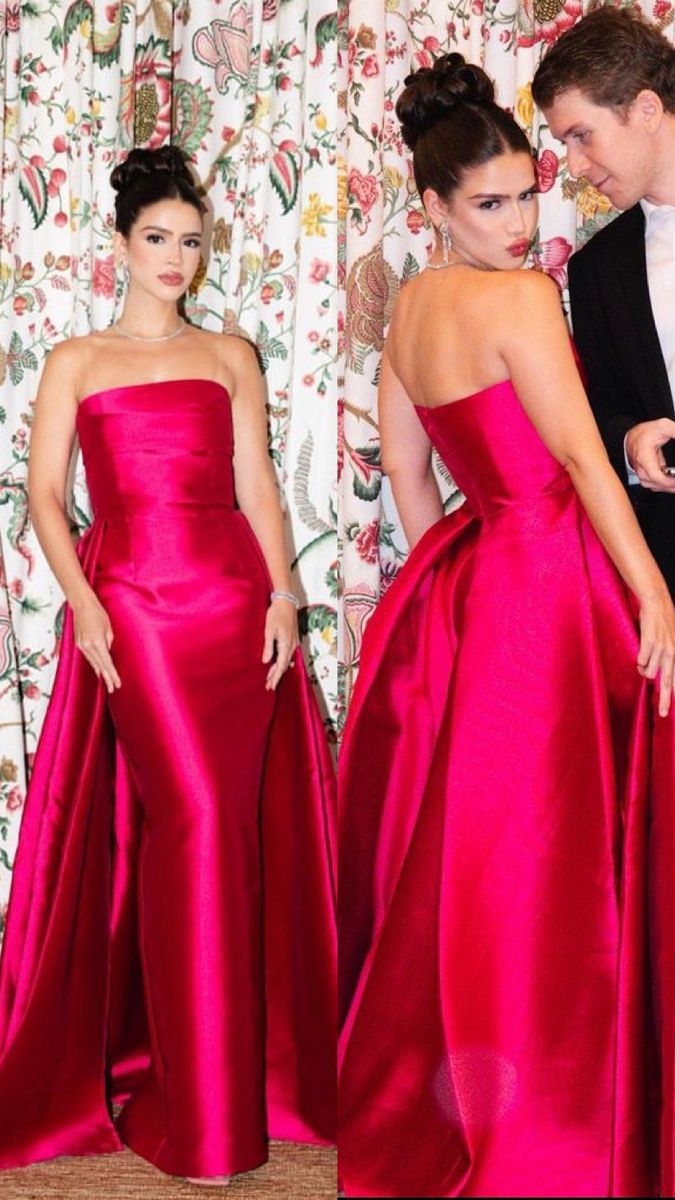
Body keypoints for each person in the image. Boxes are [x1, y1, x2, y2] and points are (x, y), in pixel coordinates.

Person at [338, 55, 675, 1199]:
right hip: (556, 589)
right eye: (491, 203)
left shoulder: (406, 312)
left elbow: (407, 474)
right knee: (561, 858)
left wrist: (456, 569)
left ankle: (486, 1096)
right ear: (433, 205)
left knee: (493, 854)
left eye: (529, 194)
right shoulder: (525, 298)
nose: (522, 223)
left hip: (482, 590)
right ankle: (564, 1116)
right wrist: (654, 593)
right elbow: (580, 462)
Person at [0, 146, 336, 1186]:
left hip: (234, 605)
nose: (176, 258)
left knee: (226, 830)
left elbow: (257, 485)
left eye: (191, 242)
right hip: (136, 611)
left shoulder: (231, 355)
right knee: (190, 820)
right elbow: (44, 497)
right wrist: (84, 602)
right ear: (120, 244)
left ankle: (217, 1093)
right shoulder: (76, 360)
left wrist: (283, 596)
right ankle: (199, 1112)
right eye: (157, 238)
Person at [532, 5, 675, 596]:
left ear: (646, 109)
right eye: (564, 142)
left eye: (581, 135)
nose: (572, 165)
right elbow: (604, 410)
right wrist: (630, 442)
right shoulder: (594, 270)